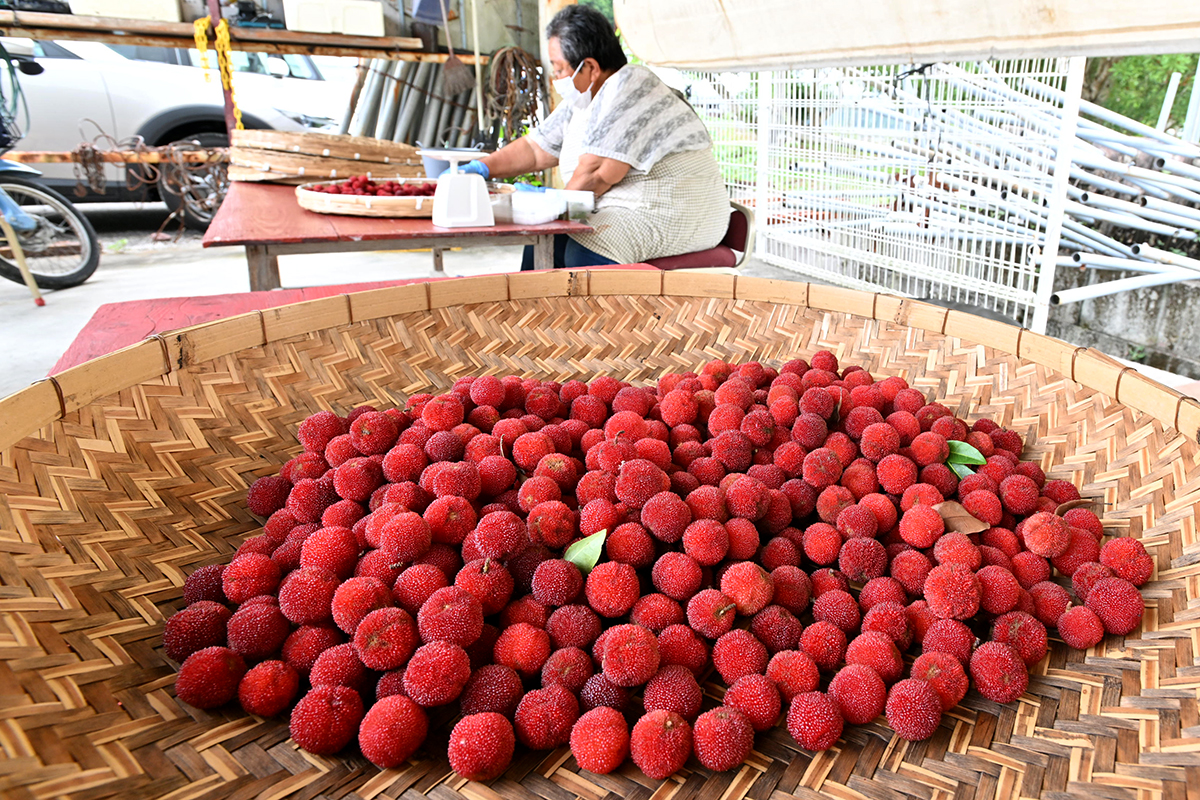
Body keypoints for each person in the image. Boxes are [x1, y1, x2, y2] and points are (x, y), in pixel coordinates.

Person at [448, 5, 730, 269]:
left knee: (584, 248)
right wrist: (482, 168)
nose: (557, 77)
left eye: (559, 69)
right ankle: (533, 320)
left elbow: (596, 175)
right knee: (544, 241)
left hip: (679, 211)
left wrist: (550, 204)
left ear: (590, 68)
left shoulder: (630, 84)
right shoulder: (585, 100)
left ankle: (595, 323)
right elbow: (536, 148)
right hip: (628, 206)